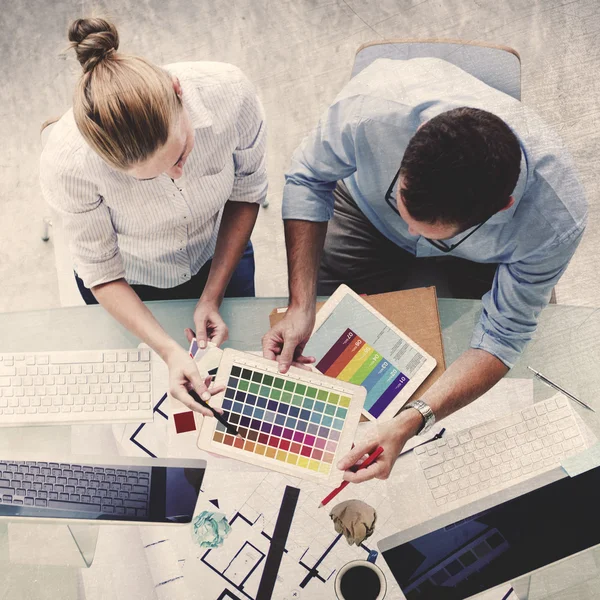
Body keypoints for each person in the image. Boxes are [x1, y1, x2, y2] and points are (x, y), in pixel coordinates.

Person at [262, 56, 587, 482]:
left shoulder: (556, 222)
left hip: (480, 258)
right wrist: (301, 304)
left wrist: (411, 419)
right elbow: (307, 178)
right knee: (317, 329)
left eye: (429, 230)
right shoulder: (371, 107)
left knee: (457, 386)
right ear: (415, 138)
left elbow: (504, 336)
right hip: (364, 214)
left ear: (503, 206)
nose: (410, 230)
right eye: (403, 199)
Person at [40, 18, 267, 415]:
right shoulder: (68, 163)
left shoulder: (231, 92)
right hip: (130, 281)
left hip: (220, 252)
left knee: (240, 379)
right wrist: (167, 350)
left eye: (180, 156)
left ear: (178, 92)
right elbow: (101, 271)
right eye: (149, 178)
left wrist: (212, 294)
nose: (177, 175)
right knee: (151, 395)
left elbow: (246, 191)